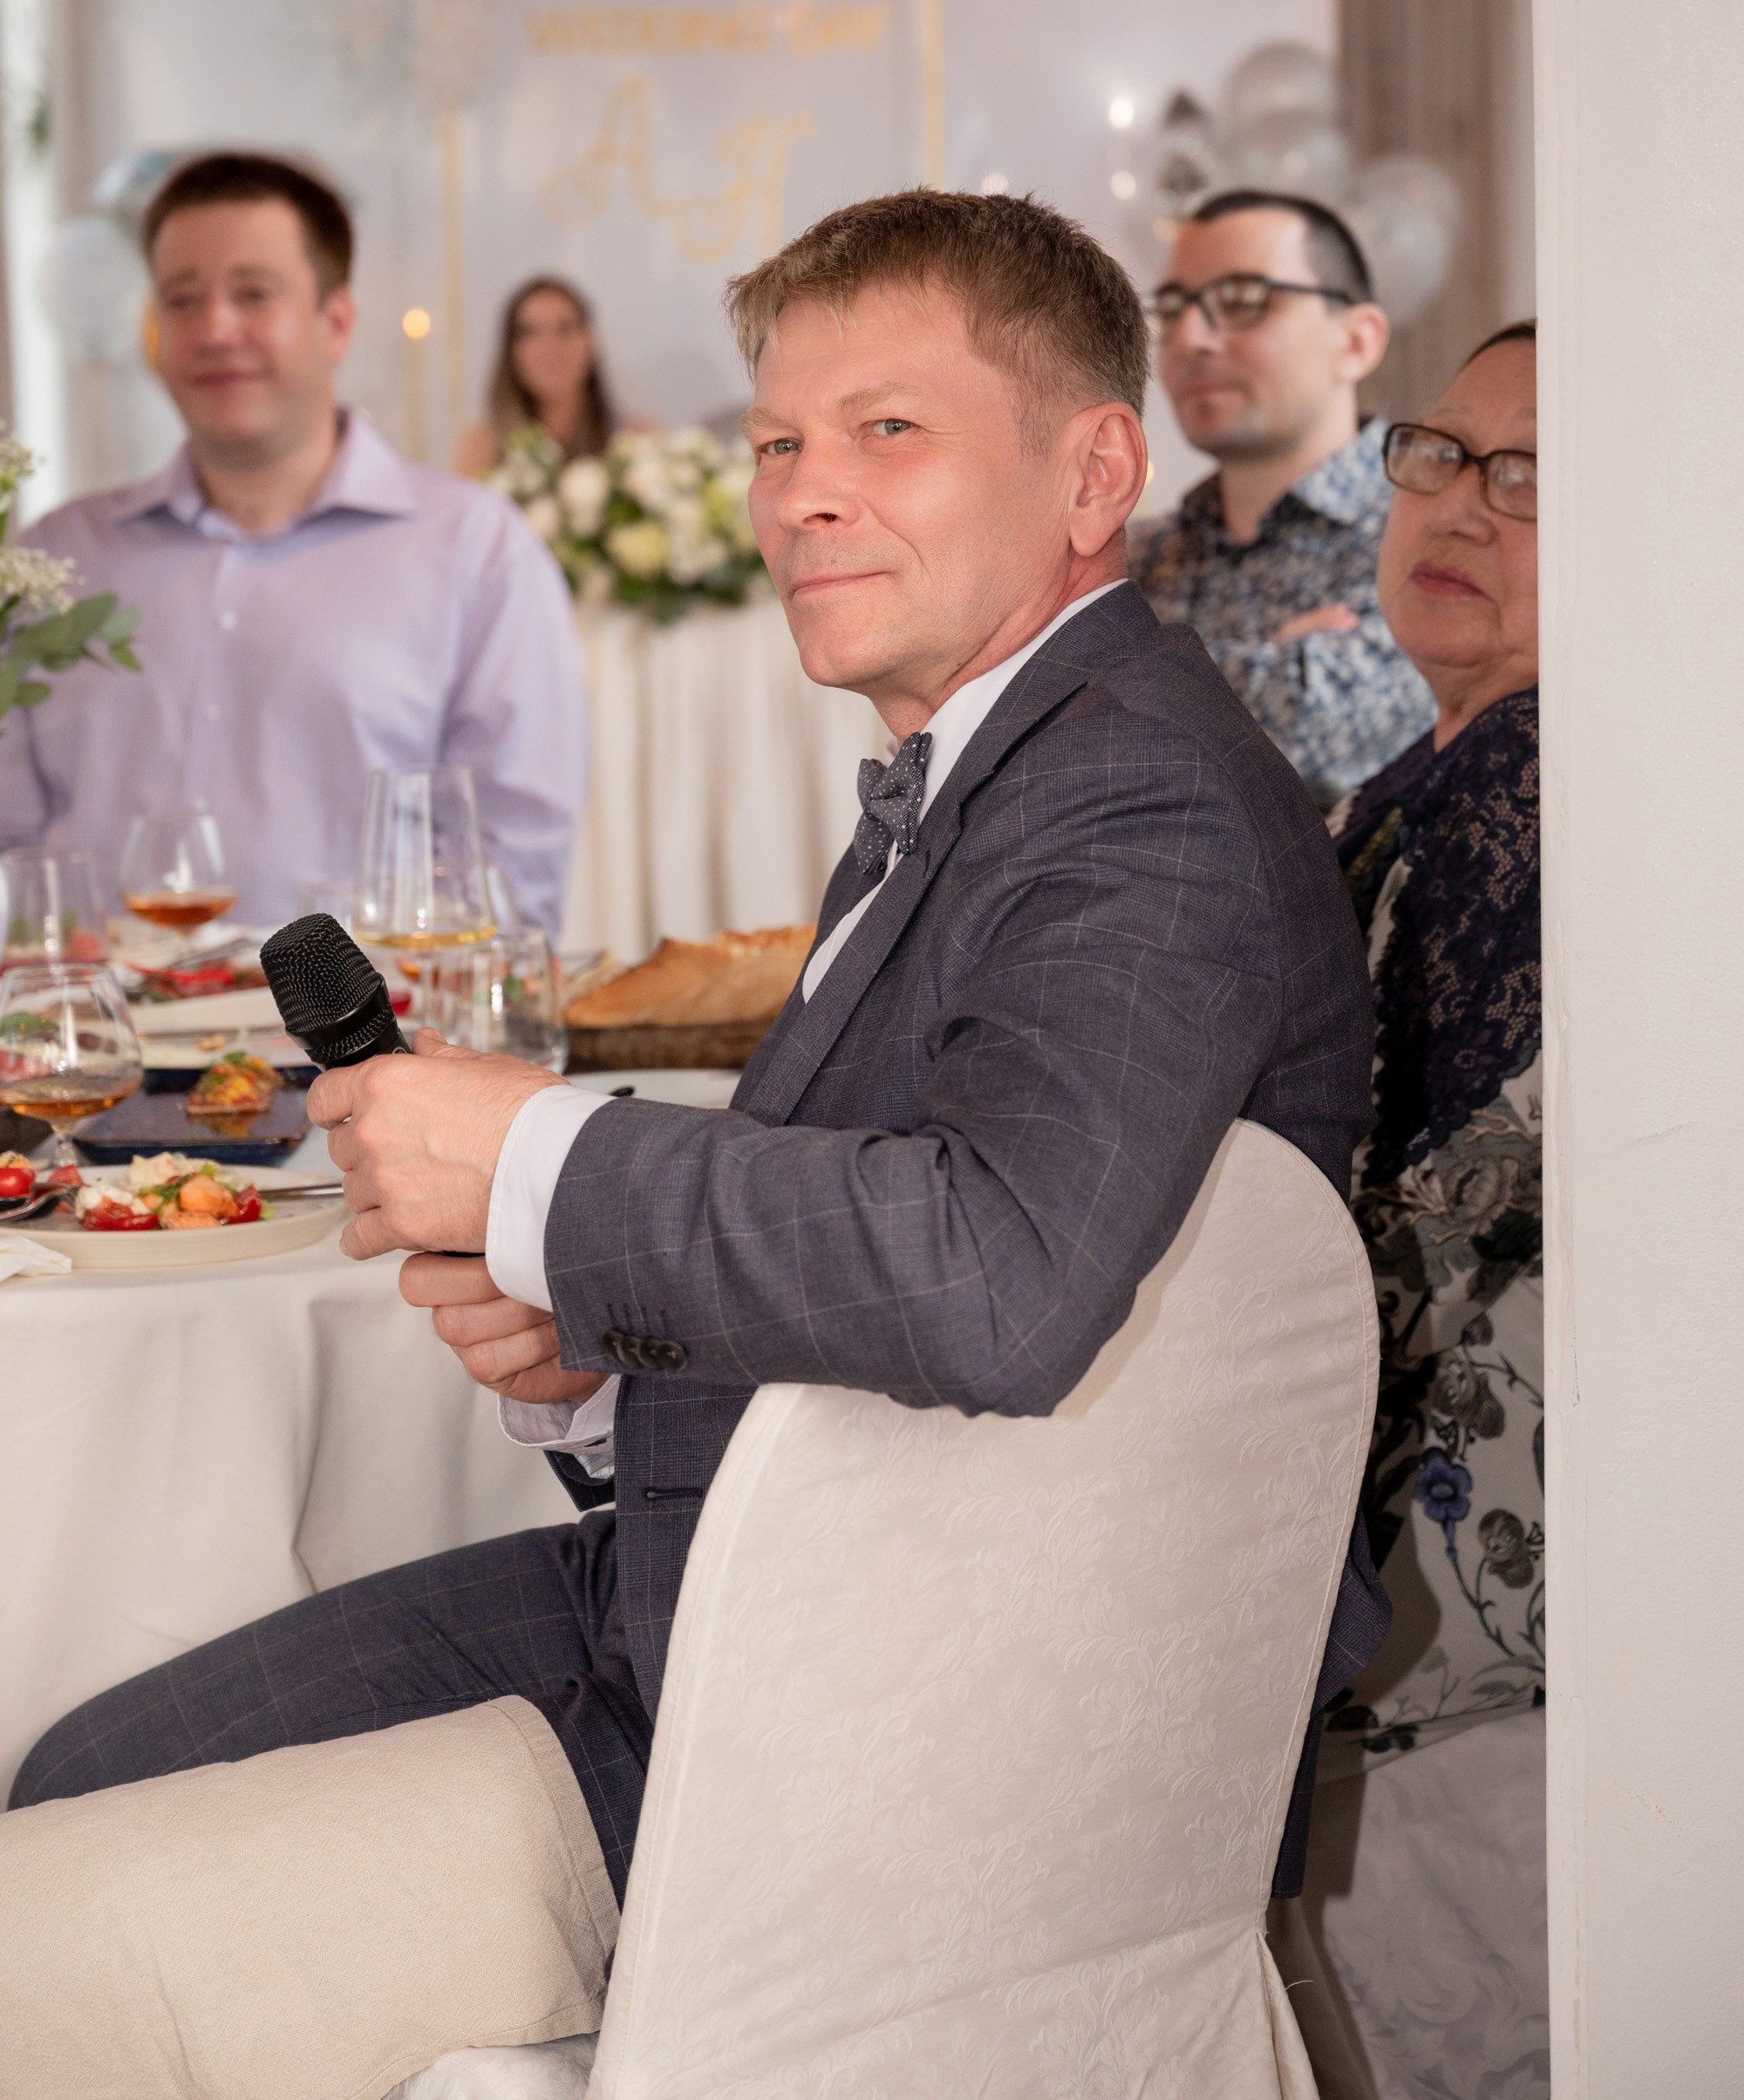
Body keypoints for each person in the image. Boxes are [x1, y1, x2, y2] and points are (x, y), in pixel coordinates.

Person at [3, 190, 1386, 2086]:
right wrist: (594, 1358)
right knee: (74, 1768)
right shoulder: (987, 762)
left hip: (913, 1734)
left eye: (887, 430)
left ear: (1094, 470)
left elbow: (1000, 1279)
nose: (801, 494)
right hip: (759, 1595)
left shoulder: (1133, 797)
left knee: (48, 1919)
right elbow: (895, 1263)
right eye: (776, 441)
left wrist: (544, 1159)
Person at [1273, 324, 1545, 2100]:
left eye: (1532, 478)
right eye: (1438, 452)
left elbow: (1378, 1254)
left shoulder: (1520, 796)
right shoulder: (1424, 780)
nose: (1458, 501)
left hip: (1451, 1633)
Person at [0, 153, 587, 935]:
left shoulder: (475, 551)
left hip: (360, 1047)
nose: (214, 328)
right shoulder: (58, 559)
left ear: (335, 321)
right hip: (96, 1046)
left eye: (253, 293)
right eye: (182, 299)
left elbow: (513, 870)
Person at [1129, 188, 1437, 810]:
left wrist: (1106, 683)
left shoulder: (1430, 527)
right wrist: (1266, 672)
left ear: (1357, 341)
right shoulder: (1132, 555)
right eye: (1172, 306)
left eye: (1242, 300)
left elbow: (1315, 728)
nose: (1190, 337)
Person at [454, 276, 617, 478]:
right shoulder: (481, 449)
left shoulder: (634, 444)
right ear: (511, 351)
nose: (550, 347)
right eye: (530, 333)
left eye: (564, 328)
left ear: (590, 342)